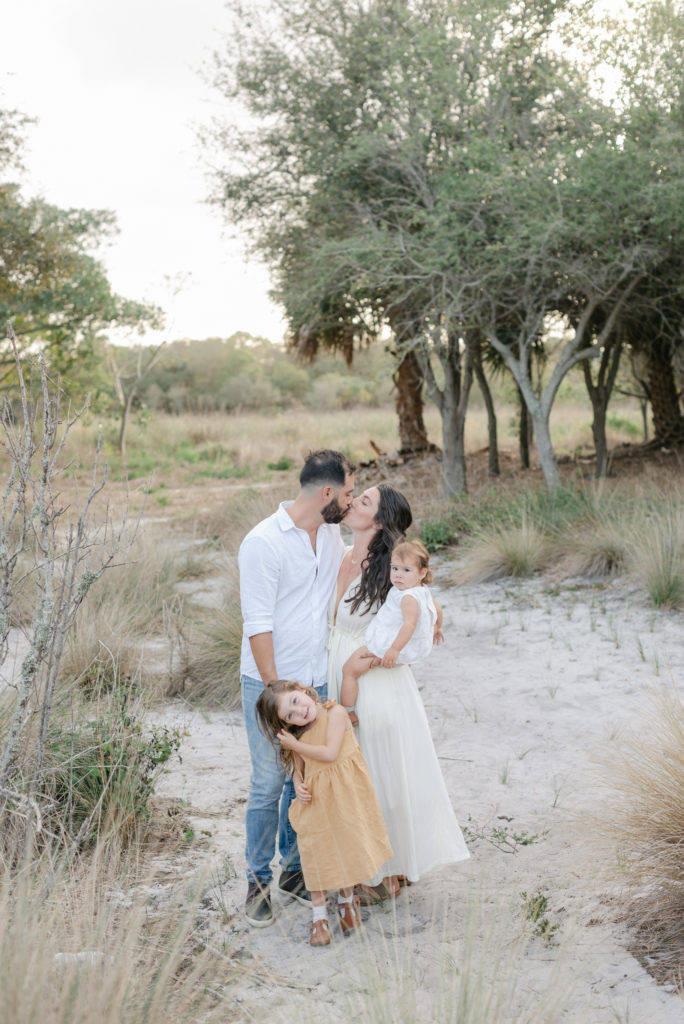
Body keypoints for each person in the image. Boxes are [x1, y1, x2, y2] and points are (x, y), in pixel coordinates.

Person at [327, 483, 470, 901]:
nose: (352, 502)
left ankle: (387, 871)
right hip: (335, 665)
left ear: (381, 520)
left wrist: (382, 656)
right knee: (353, 770)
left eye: (364, 501)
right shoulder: (339, 553)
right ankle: (362, 865)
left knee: (378, 770)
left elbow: (425, 610)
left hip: (373, 674)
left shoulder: (393, 567)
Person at [239, 449, 355, 926]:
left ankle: (293, 870)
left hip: (317, 678)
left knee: (302, 780)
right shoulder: (262, 542)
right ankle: (257, 881)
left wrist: (422, 603)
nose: (349, 500)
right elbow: (258, 623)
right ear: (327, 492)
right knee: (269, 782)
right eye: (348, 492)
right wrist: (275, 693)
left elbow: (357, 571)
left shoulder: (331, 534)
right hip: (269, 684)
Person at [256, 680, 393, 946]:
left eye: (295, 702)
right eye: (289, 716)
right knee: (317, 854)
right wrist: (297, 783)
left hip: (345, 796)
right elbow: (298, 769)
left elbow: (330, 753)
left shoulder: (336, 713)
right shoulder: (297, 736)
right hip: (316, 801)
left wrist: (294, 745)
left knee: (346, 848)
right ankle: (319, 918)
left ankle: (345, 903)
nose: (299, 713)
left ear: (302, 690)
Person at [339, 539, 444, 725]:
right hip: (404, 648)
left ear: (422, 573)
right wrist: (437, 628)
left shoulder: (408, 597)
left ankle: (348, 712)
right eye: (394, 568)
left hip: (388, 646)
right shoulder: (422, 590)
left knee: (349, 670)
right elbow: (437, 611)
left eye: (406, 570)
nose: (398, 575)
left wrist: (393, 650)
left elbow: (409, 625)